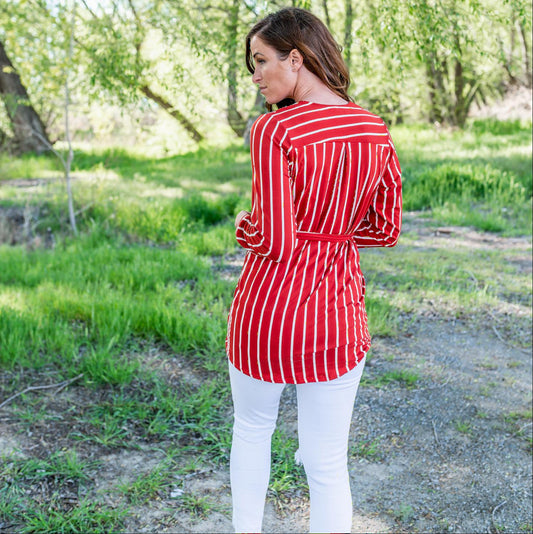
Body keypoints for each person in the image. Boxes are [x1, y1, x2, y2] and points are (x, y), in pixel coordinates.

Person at [226, 7, 402, 533]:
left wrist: (244, 227)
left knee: (253, 430)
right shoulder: (373, 128)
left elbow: (274, 241)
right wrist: (334, 234)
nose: (254, 76)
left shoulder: (274, 129)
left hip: (269, 311)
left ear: (296, 58)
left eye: (260, 62)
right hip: (337, 313)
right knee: (328, 463)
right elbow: (384, 229)